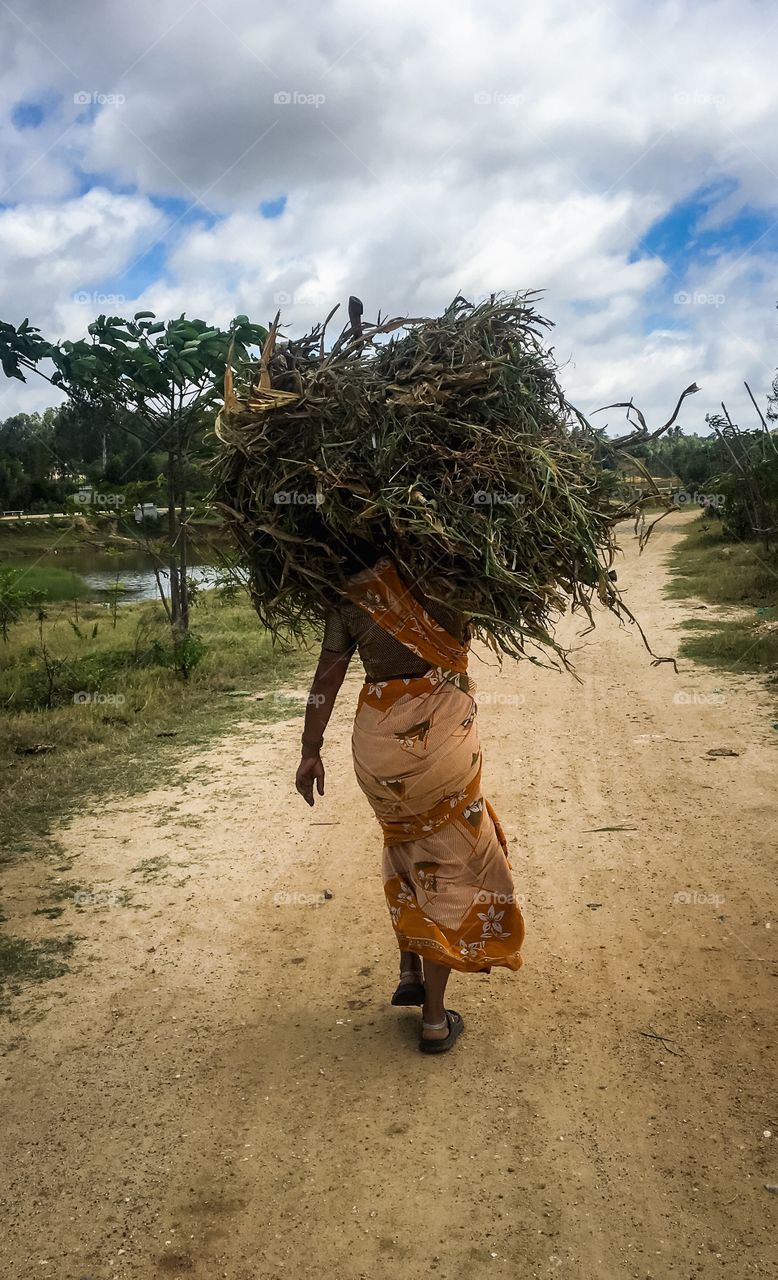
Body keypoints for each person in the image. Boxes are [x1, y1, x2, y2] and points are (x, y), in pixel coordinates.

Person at [295, 551, 525, 1054]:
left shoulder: (352, 595)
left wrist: (311, 751)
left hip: (379, 752)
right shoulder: (456, 571)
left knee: (406, 848)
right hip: (444, 744)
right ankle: (435, 1020)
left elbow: (324, 684)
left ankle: (408, 967)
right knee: (448, 864)